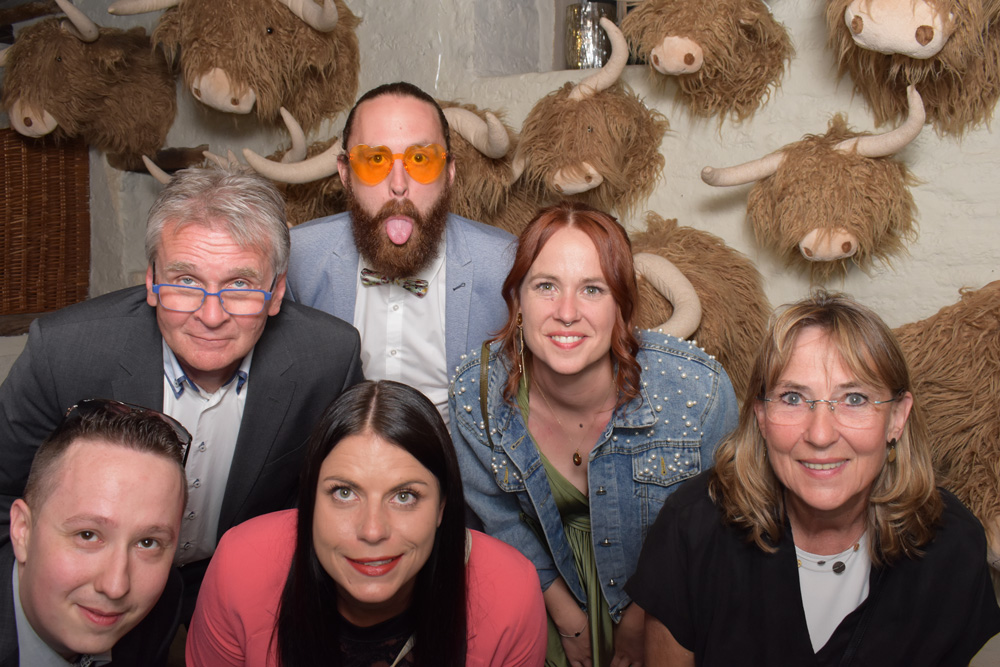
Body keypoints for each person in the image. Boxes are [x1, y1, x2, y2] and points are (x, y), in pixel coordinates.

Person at [0, 165, 364, 619]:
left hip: (244, 586)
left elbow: (339, 499)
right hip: (95, 586)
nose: (211, 316)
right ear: (151, 282)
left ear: (277, 293)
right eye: (186, 282)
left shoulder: (329, 358)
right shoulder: (65, 352)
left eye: (240, 285)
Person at [628, 292, 1000, 666]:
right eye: (792, 398)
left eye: (854, 398)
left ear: (897, 418)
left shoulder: (953, 543)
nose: (820, 435)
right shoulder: (693, 526)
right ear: (760, 416)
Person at [449, 201, 738, 667]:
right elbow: (499, 519)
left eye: (592, 289)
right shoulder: (475, 392)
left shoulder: (698, 392)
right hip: (540, 584)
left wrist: (641, 617)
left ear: (622, 305)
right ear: (517, 300)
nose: (567, 312)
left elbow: (711, 535)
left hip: (667, 600)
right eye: (546, 286)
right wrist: (568, 619)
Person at [186, 380, 547, 666]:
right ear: (309, 500)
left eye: (405, 496)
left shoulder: (510, 593)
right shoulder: (241, 566)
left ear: (442, 508)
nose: (372, 530)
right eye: (344, 493)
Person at [286, 81, 514, 425]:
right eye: (374, 159)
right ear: (345, 173)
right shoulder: (297, 259)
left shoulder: (505, 264)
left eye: (420, 159)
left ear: (449, 173)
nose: (398, 184)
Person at [1, 399, 189, 666]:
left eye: (148, 542)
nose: (115, 587)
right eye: (87, 535)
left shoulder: (164, 603)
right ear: (23, 531)